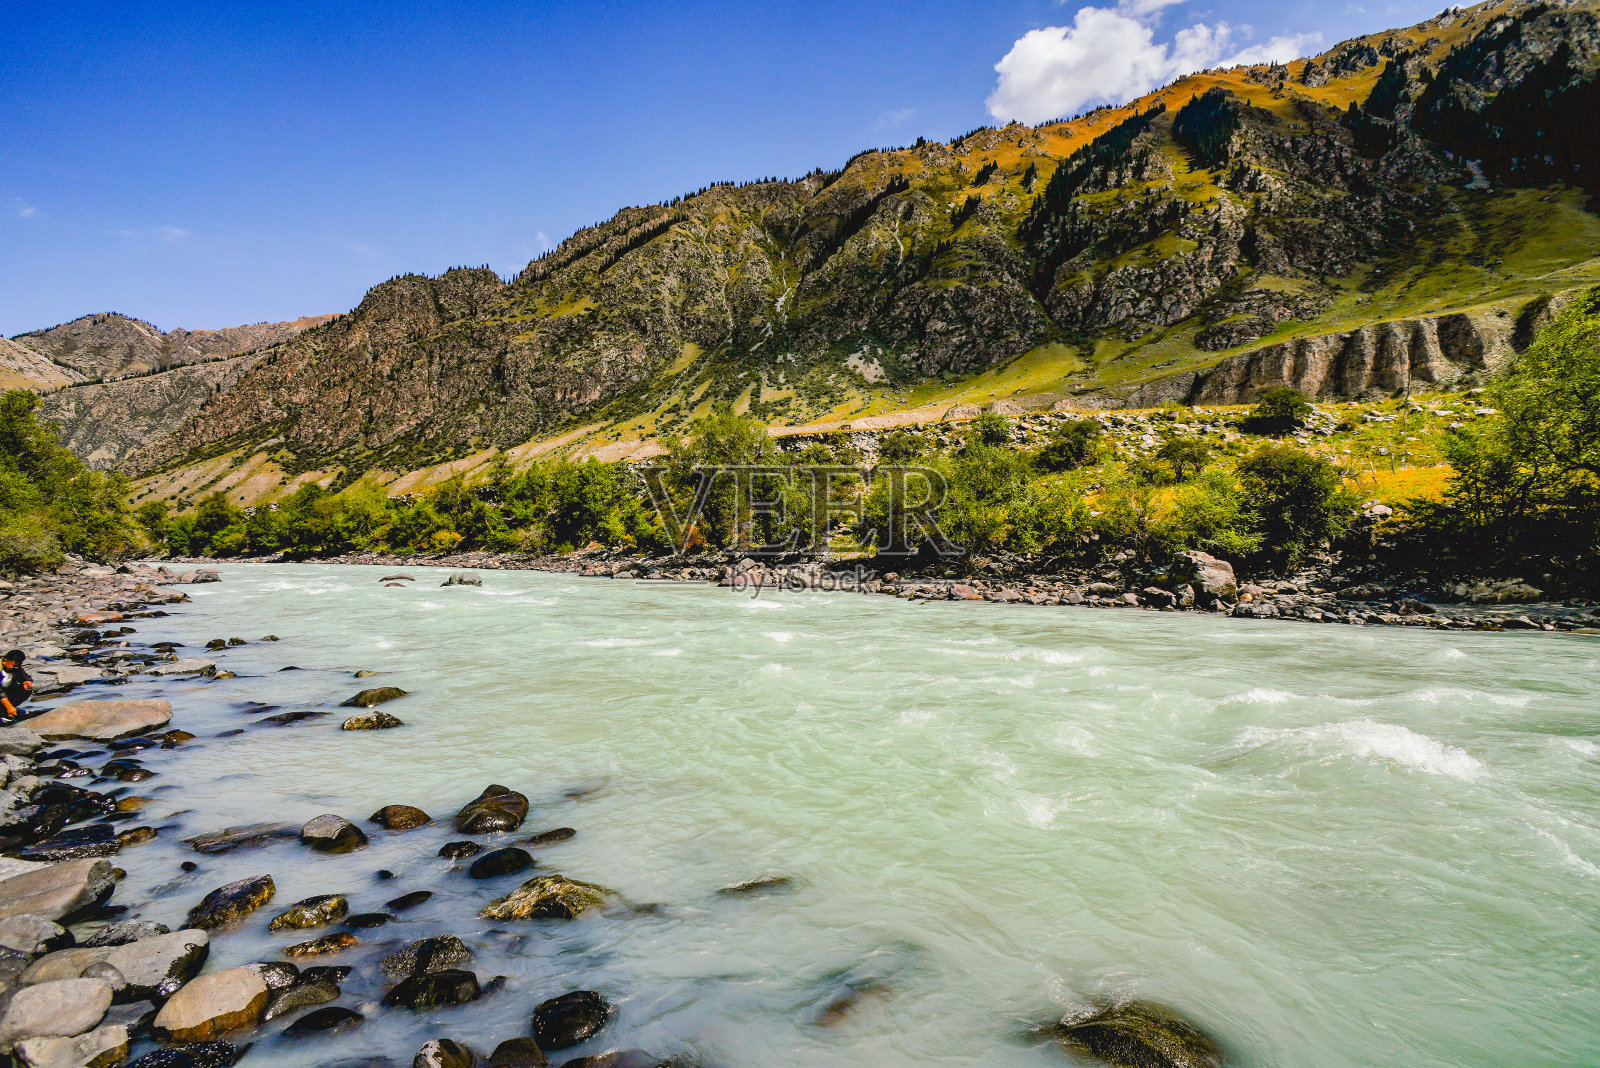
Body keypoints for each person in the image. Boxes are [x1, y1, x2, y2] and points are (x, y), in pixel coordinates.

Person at [1, 651, 33, 722]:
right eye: (15, 665)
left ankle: (5, 711)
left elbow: (24, 675)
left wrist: (27, 681)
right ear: (4, 661)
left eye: (19, 665)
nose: (17, 667)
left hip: (5, 691)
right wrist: (8, 706)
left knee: (26, 690)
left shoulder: (15, 668)